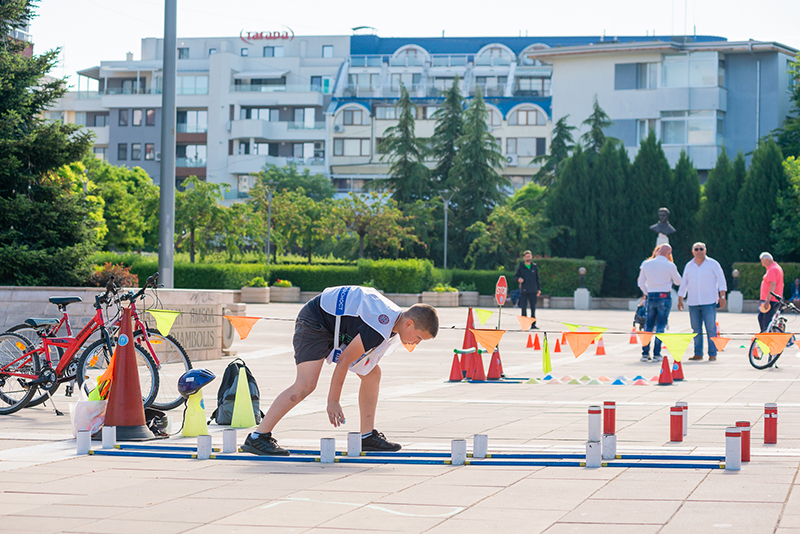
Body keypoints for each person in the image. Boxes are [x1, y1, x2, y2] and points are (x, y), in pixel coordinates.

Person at [242, 286, 439, 456]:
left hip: (336, 324)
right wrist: (333, 401)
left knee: (373, 374)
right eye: (419, 337)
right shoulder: (380, 326)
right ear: (409, 324)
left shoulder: (392, 320)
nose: (416, 343)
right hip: (316, 321)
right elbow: (345, 360)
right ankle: (258, 437)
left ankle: (367, 436)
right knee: (306, 385)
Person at [677, 243, 727, 362]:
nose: (699, 251)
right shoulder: (689, 266)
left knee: (711, 328)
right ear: (692, 251)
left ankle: (712, 353)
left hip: (709, 301)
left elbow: (721, 280)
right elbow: (684, 283)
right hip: (693, 302)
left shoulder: (713, 264)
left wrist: (723, 296)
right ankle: (698, 353)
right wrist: (680, 298)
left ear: (705, 250)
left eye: (701, 249)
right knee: (696, 329)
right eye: (696, 249)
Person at [637, 243, 682, 362]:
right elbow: (678, 282)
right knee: (661, 326)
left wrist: (647, 292)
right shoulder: (670, 265)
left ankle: (645, 353)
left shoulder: (647, 264)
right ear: (669, 254)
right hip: (664, 296)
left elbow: (641, 283)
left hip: (651, 295)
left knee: (648, 325)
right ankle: (657, 353)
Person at [514, 250, 541, 327]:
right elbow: (515, 276)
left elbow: (537, 278)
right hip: (524, 290)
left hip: (533, 290)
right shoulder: (521, 266)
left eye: (529, 256)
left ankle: (533, 324)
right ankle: (524, 324)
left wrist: (538, 289)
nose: (528, 258)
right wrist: (518, 279)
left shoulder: (534, 266)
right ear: (524, 257)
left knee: (533, 308)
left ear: (531, 256)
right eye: (527, 256)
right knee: (523, 308)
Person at [758, 252, 784, 332]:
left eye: (761, 261)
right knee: (762, 318)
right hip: (773, 299)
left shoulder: (772, 269)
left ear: (765, 260)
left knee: (765, 321)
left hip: (771, 300)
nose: (762, 263)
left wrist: (767, 300)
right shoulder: (776, 267)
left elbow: (773, 285)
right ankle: (765, 336)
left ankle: (766, 340)